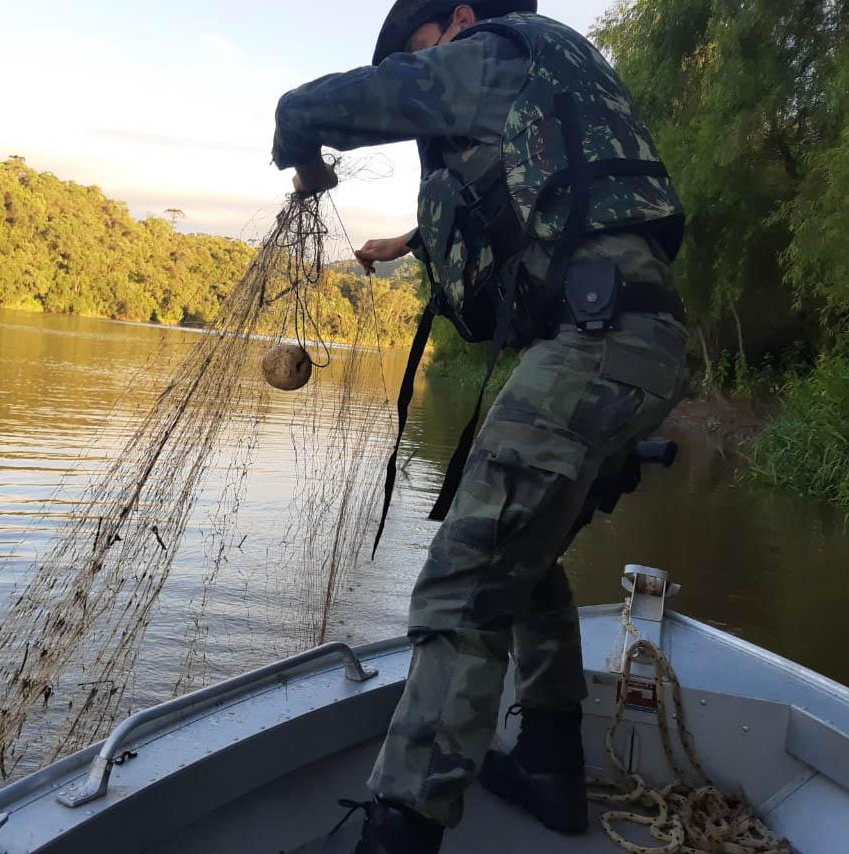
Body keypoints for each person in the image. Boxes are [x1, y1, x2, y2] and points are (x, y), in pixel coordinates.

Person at [272, 3, 691, 852]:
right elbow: (530, 203)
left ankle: (399, 831)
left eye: (419, 49)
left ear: (457, 18)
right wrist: (398, 244)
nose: (423, 68)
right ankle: (548, 766)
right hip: (637, 340)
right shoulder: (556, 82)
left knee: (464, 578)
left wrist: (296, 129)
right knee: (523, 557)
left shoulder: (493, 51)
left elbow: (361, 100)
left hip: (595, 344)